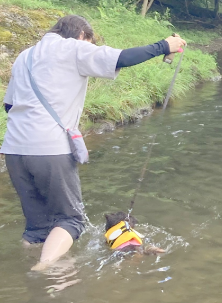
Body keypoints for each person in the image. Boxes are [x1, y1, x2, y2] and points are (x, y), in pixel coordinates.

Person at [1, 15, 187, 270]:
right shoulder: (73, 48)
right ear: (81, 36)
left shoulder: (25, 56)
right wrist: (164, 46)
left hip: (13, 150)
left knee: (37, 226)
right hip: (50, 149)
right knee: (71, 220)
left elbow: (9, 105)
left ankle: (31, 265)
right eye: (89, 43)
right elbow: (121, 58)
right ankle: (42, 271)